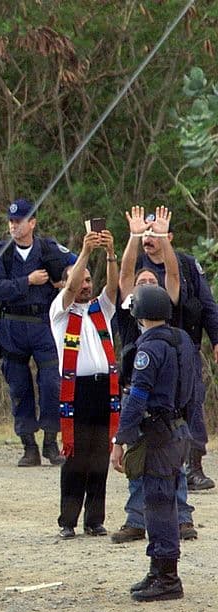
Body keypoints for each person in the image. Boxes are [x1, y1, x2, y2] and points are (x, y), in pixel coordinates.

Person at [112, 206, 198, 544]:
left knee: (169, 458)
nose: (147, 283)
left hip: (166, 399)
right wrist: (134, 237)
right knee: (138, 460)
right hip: (136, 392)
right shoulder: (129, 310)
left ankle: (181, 518)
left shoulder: (166, 306)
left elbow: (173, 276)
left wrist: (161, 239)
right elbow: (124, 274)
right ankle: (136, 519)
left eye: (152, 281)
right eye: (142, 282)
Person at [110, 285, 196, 602]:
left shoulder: (148, 350)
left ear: (139, 314)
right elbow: (194, 390)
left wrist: (121, 438)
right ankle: (159, 570)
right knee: (166, 501)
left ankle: (167, 576)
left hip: (158, 434)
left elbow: (137, 398)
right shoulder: (183, 340)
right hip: (179, 429)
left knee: (158, 504)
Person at [132, 207, 218, 491]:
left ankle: (194, 467)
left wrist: (216, 339)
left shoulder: (186, 265)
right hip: (150, 348)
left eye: (155, 232)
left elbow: (207, 306)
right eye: (145, 233)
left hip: (185, 346)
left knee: (192, 404)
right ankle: (146, 463)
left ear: (168, 236)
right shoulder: (138, 268)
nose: (149, 238)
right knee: (150, 405)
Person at [0, 198, 76, 467]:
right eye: (11, 221)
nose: (14, 226)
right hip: (13, 325)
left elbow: (75, 265)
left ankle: (51, 442)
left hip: (44, 323)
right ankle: (28, 445)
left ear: (32, 223)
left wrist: (66, 281)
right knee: (18, 385)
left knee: (51, 383)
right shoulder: (0, 252)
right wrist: (28, 281)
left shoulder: (48, 249)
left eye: (20, 221)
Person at [49, 229, 119, 539]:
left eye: (89, 280)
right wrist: (85, 252)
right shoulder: (60, 312)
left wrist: (111, 253)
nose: (85, 285)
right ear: (63, 285)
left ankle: (95, 519)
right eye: (80, 280)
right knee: (75, 456)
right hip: (76, 390)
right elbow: (71, 286)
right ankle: (68, 521)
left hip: (104, 389)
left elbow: (115, 285)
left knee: (100, 454)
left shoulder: (100, 309)